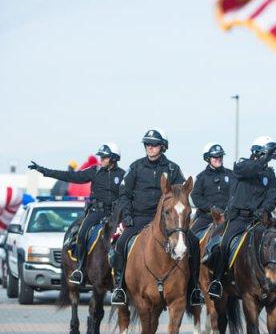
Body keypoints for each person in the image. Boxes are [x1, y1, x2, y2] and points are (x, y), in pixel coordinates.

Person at [207, 136, 276, 299]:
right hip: (238, 218)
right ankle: (217, 281)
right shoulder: (241, 165)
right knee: (224, 243)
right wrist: (263, 160)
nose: (270, 160)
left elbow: (272, 195)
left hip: (260, 219)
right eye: (269, 156)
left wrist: (264, 210)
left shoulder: (269, 174)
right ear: (260, 153)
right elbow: (247, 169)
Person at [111, 128, 202, 306]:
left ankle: (193, 290)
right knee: (121, 243)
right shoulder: (135, 167)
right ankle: (120, 288)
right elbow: (124, 195)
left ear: (163, 147)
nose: (150, 148)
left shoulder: (173, 168)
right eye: (147, 144)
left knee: (194, 244)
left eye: (154, 145)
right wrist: (127, 216)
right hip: (139, 217)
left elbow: (181, 195)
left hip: (167, 221)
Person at [28, 143, 124, 284]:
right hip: (97, 212)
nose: (101, 159)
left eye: (105, 157)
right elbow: (70, 176)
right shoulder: (94, 171)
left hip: (116, 215)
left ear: (114, 158)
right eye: (101, 156)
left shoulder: (123, 175)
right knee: (82, 233)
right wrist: (43, 170)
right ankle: (79, 268)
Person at [191, 143, 233, 235]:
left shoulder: (231, 175)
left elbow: (236, 194)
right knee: (190, 236)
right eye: (215, 157)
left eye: (220, 156)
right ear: (207, 158)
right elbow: (195, 196)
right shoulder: (201, 177)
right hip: (207, 217)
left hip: (228, 216)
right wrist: (211, 208)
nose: (218, 159)